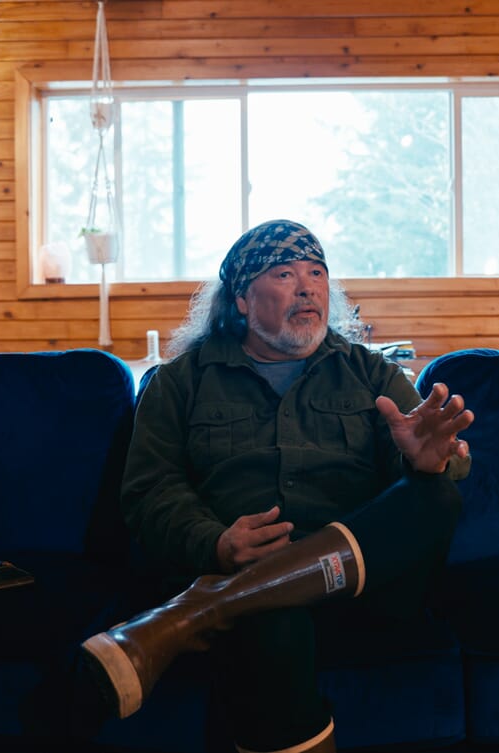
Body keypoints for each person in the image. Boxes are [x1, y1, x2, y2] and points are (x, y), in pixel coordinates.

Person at [78, 219, 473, 753]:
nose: (308, 286)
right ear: (241, 299)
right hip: (244, 575)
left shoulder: (370, 374)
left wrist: (430, 463)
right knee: (270, 620)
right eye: (285, 273)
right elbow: (149, 491)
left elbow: (430, 484)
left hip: (361, 590)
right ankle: (242, 597)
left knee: (436, 496)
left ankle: (199, 610)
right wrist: (214, 542)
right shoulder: (179, 382)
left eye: (316, 273)